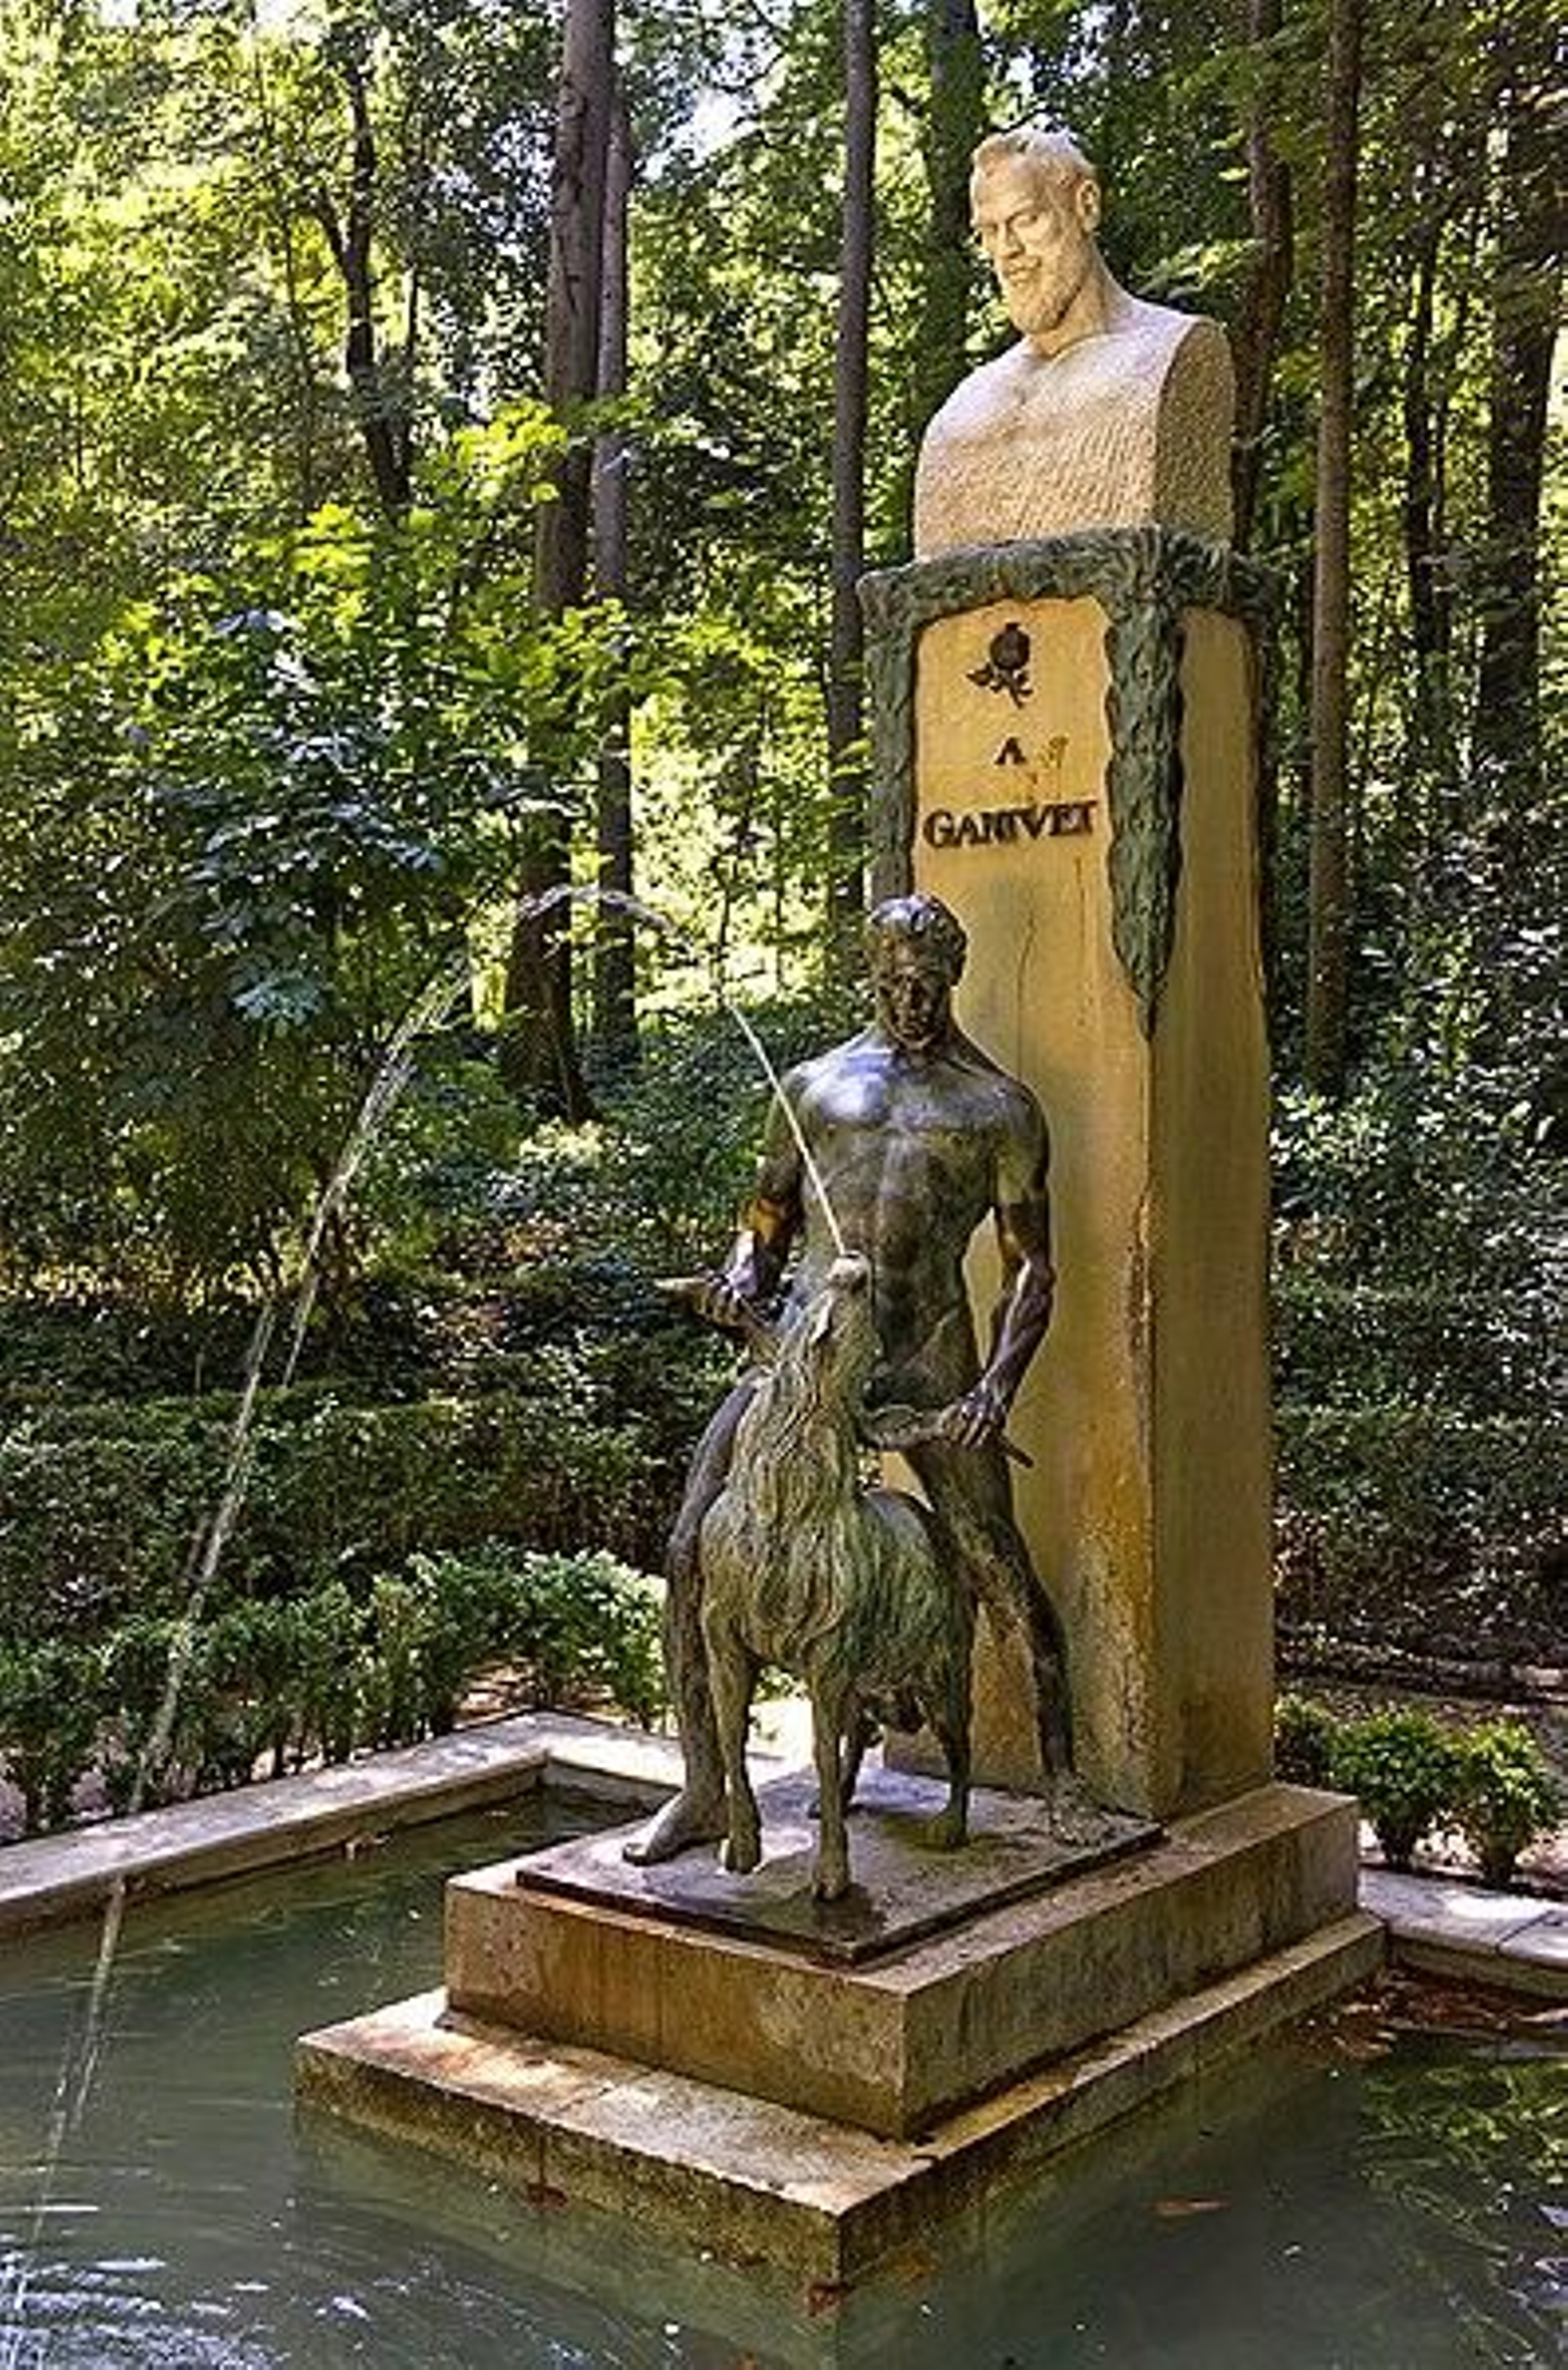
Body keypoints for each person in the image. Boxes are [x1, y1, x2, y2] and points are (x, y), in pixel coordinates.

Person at [625, 892, 1075, 1866]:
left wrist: (994, 1387)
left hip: (927, 1354)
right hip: (804, 1353)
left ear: (953, 978)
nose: (910, 1002)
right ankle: (706, 1789)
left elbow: (1033, 1265)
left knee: (991, 1556)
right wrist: (740, 1279)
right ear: (868, 976)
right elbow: (767, 1217)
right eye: (892, 983)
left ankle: (1065, 1783)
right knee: (692, 1545)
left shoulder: (995, 1107)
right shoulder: (813, 1086)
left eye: (927, 984)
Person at [913, 126, 1234, 556]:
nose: (1006, 250)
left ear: (1085, 206)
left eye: (1027, 220)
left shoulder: (1172, 354)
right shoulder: (960, 416)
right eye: (988, 231)